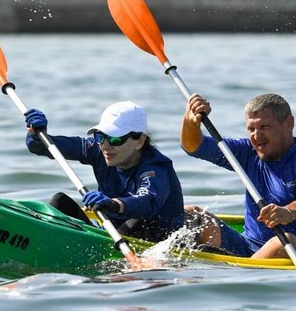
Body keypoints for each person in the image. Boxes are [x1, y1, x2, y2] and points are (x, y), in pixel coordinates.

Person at [180, 93, 296, 259]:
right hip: (247, 247)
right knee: (192, 215)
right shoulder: (247, 153)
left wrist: (289, 212)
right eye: (251, 129)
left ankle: (237, 277)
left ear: (289, 123)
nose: (256, 135)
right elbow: (193, 146)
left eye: (264, 127)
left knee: (281, 242)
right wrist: (191, 122)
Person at [24, 101, 184, 243]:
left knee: (136, 223)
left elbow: (148, 202)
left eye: (115, 139)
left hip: (156, 238)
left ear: (139, 141)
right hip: (110, 233)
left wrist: (113, 204)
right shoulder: (98, 149)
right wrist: (36, 135)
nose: (106, 146)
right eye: (100, 137)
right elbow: (46, 147)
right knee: (59, 202)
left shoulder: (156, 167)